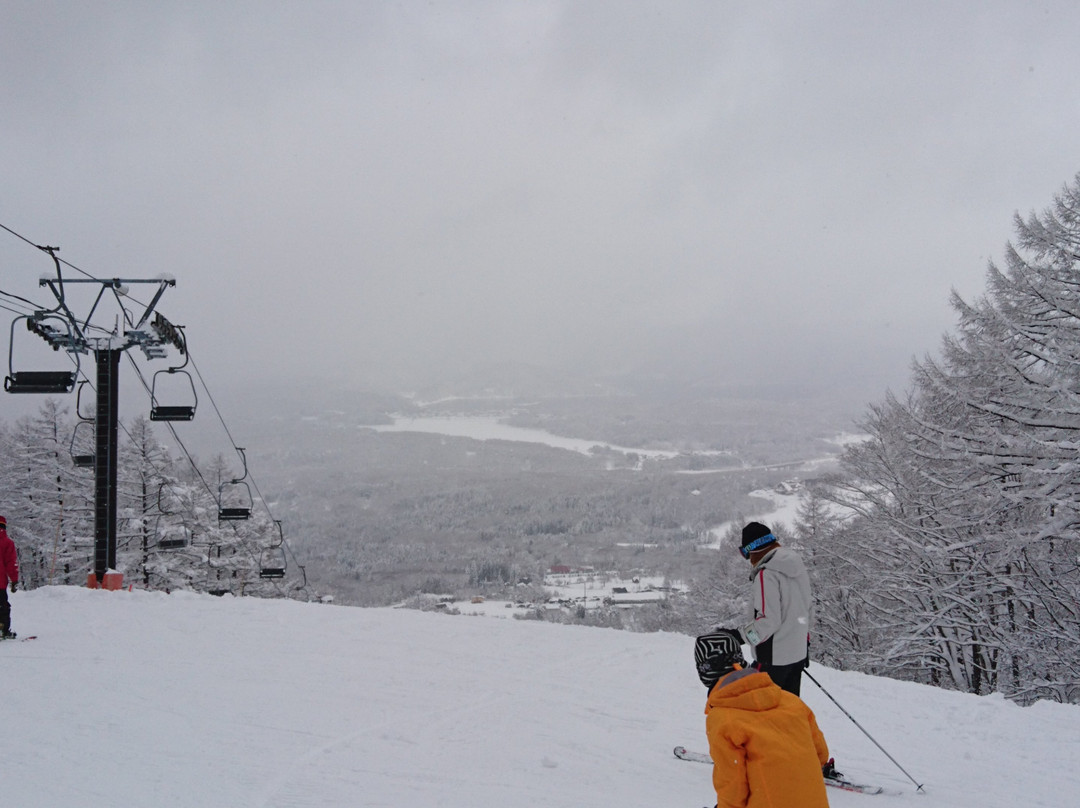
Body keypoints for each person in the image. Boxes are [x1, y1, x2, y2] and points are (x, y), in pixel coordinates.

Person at [695, 628, 830, 808]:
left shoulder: (723, 719)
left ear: (704, 673)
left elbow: (733, 787)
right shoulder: (791, 702)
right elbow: (821, 755)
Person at [734, 521, 812, 695]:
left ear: (753, 550)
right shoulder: (797, 567)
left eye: (745, 553)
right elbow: (807, 609)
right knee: (789, 712)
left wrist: (739, 637)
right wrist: (803, 645)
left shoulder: (766, 574)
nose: (748, 560)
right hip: (797, 656)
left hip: (773, 660)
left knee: (764, 716)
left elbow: (769, 621)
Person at [0, 515, 19, 639]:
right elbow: (11, 563)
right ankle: (3, 630)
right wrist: (14, 580)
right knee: (2, 606)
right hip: (0, 582)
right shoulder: (7, 543)